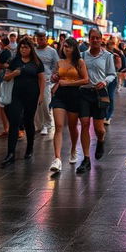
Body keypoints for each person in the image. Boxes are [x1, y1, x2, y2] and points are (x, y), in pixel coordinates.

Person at [76, 28, 116, 173]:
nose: (95, 40)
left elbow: (112, 74)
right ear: (89, 39)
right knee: (85, 123)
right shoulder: (82, 56)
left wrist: (105, 82)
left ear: (101, 40)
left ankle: (100, 141)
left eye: (97, 38)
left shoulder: (107, 56)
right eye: (92, 38)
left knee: (99, 129)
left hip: (99, 94)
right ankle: (86, 159)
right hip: (84, 93)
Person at [1, 37, 45, 165]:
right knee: (14, 122)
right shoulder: (15, 61)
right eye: (21, 47)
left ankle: (30, 148)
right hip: (16, 95)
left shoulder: (37, 62)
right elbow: (6, 77)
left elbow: (41, 79)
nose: (23, 49)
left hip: (32, 96)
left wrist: (41, 95)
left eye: (26, 47)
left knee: (28, 121)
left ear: (31, 48)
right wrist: (14, 73)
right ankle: (10, 153)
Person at [49, 37, 89, 173]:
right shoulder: (59, 62)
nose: (65, 49)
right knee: (59, 126)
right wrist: (54, 78)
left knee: (72, 126)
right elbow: (54, 76)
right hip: (59, 96)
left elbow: (85, 80)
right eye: (64, 46)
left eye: (68, 47)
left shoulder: (79, 62)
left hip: (74, 96)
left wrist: (68, 83)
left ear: (74, 48)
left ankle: (73, 149)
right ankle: (57, 158)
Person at [34, 30, 59, 136]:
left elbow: (56, 65)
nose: (41, 41)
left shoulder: (52, 51)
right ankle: (38, 125)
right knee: (36, 105)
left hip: (47, 81)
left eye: (43, 38)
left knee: (45, 103)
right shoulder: (33, 51)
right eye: (39, 39)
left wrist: (52, 75)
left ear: (46, 38)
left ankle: (46, 124)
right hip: (34, 80)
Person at [0, 36, 12, 139]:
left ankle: (8, 129)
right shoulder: (9, 52)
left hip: (4, 78)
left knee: (3, 103)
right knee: (2, 103)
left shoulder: (6, 52)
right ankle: (7, 129)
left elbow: (1, 65)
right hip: (4, 78)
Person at [105, 37, 123, 125]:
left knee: (110, 97)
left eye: (113, 44)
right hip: (103, 77)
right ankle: (105, 115)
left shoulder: (116, 54)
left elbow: (119, 66)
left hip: (112, 77)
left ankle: (108, 116)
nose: (111, 45)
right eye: (110, 44)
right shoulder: (103, 53)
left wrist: (117, 62)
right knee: (104, 96)